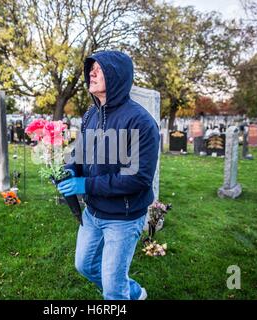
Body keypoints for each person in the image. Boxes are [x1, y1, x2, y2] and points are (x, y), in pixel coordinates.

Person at [57, 51, 160, 300]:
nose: (91, 72)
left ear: (116, 76)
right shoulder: (91, 115)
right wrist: (69, 170)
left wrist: (85, 184)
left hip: (123, 219)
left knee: (113, 291)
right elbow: (79, 154)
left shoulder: (141, 122)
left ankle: (122, 293)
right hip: (92, 212)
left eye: (99, 69)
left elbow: (137, 178)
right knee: (85, 266)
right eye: (90, 68)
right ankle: (134, 292)